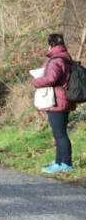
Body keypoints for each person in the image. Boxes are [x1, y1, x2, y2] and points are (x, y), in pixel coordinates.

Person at [34, 34, 75, 173]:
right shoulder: (66, 57)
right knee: (60, 133)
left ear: (51, 44)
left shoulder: (56, 60)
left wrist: (37, 81)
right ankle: (59, 160)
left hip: (57, 101)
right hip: (64, 99)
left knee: (60, 134)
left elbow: (51, 78)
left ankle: (65, 163)